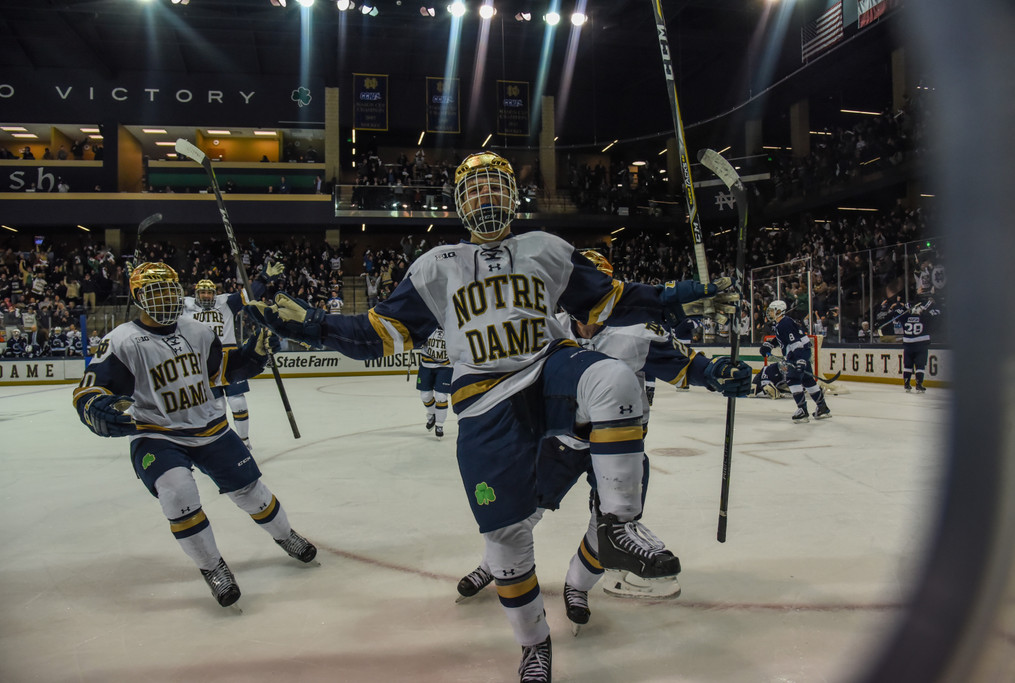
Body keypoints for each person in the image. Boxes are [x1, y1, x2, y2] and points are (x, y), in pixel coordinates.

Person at [246, 151, 742, 682]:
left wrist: (675, 298)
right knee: (505, 538)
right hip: (484, 398)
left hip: (547, 368)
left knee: (615, 378)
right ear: (460, 203)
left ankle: (618, 526)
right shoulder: (437, 266)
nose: (486, 197)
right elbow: (379, 334)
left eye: (494, 186)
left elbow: (608, 302)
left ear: (512, 196)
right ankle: (533, 644)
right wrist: (314, 325)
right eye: (475, 189)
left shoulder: (547, 250)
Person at [454, 249, 751, 636]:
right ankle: (491, 566)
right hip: (559, 443)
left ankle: (577, 587)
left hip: (619, 450)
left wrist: (717, 372)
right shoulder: (548, 328)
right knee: (520, 512)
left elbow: (688, 366)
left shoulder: (637, 333)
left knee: (610, 527)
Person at [72, 262, 316, 609]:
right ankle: (213, 567)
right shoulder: (123, 340)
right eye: (156, 292)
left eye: (170, 290)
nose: (166, 299)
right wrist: (94, 407)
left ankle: (285, 536)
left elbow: (223, 370)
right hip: (157, 434)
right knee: (177, 493)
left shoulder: (198, 331)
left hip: (210, 427)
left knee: (251, 493)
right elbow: (90, 389)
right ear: (138, 297)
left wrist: (253, 353)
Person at [180, 261, 284, 450]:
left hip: (228, 359)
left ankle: (245, 441)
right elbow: (161, 306)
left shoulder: (225, 302)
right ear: (196, 294)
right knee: (217, 405)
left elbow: (248, 294)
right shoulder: (186, 306)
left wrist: (264, 277)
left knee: (238, 401)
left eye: (209, 292)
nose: (206, 296)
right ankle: (221, 440)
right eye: (202, 293)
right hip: (202, 364)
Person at [760, 299, 831, 423]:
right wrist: (770, 345)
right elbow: (783, 338)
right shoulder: (782, 323)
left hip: (797, 356)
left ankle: (802, 410)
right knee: (808, 381)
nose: (769, 313)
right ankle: (822, 408)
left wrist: (800, 360)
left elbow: (797, 343)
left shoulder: (784, 323)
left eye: (772, 310)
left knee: (792, 380)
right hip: (802, 355)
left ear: (779, 311)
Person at [415, 326, 453, 438]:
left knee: (441, 396)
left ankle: (439, 424)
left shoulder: (452, 324)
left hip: (445, 366)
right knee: (425, 395)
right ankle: (432, 415)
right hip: (426, 365)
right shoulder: (428, 323)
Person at [899, 297, 940, 392]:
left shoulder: (905, 317)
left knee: (907, 366)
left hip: (908, 346)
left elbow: (896, 313)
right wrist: (930, 304)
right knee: (920, 366)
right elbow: (936, 313)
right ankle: (919, 384)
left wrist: (904, 308)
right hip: (921, 346)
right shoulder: (924, 318)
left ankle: (906, 384)